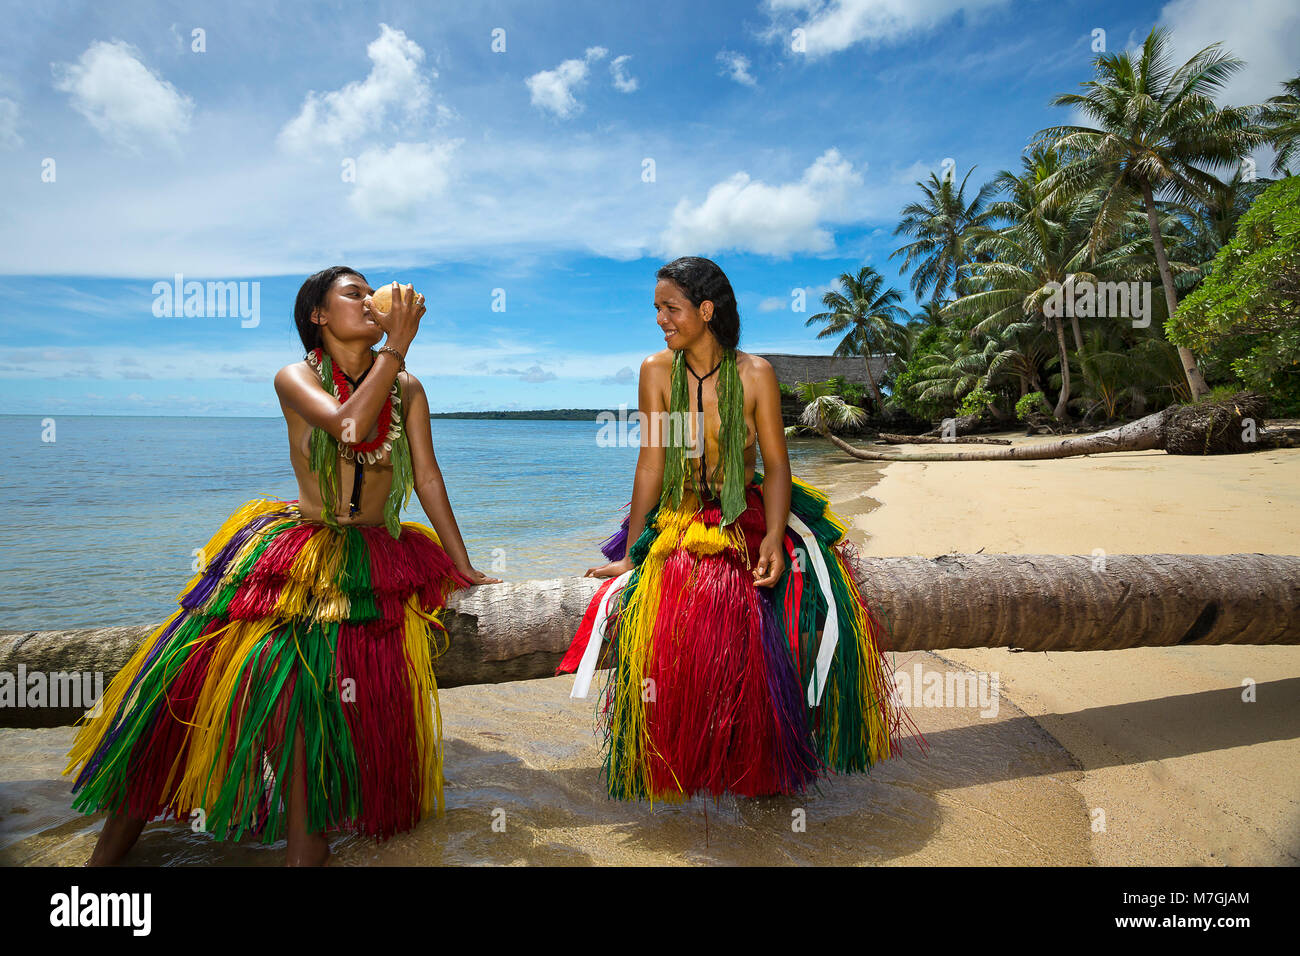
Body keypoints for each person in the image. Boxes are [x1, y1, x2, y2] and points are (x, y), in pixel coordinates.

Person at [65, 266, 500, 865]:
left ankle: (308, 838)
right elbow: (348, 427)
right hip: (300, 551)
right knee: (191, 682)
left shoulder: (408, 387)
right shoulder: (295, 376)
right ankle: (106, 859)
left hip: (375, 553)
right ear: (318, 316)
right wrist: (396, 346)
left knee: (323, 698)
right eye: (353, 293)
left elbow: (426, 475)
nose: (370, 299)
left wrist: (462, 562)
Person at [558, 256, 924, 802]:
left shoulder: (756, 373)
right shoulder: (655, 371)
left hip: (745, 516)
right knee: (671, 625)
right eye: (657, 308)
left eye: (670, 308)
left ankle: (766, 754)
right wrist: (635, 552)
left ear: (706, 310)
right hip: (679, 518)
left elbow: (776, 465)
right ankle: (690, 757)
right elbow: (651, 464)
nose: (661, 318)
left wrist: (775, 539)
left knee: (794, 613)